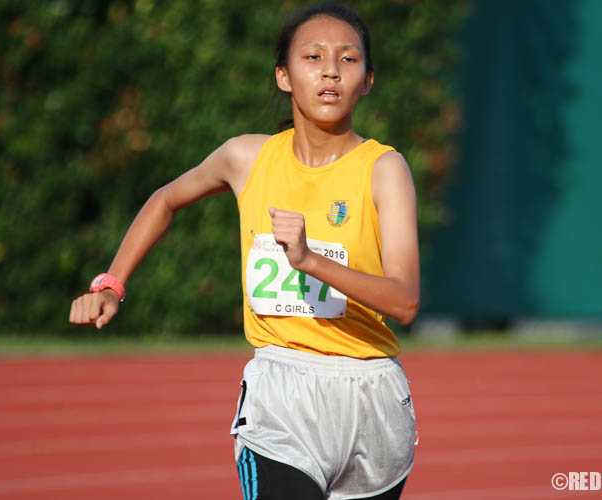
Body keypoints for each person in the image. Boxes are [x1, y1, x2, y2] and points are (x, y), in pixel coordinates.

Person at [69, 4, 419, 499]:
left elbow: (405, 301)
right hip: (283, 398)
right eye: (313, 57)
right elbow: (166, 198)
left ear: (367, 81)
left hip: (373, 402)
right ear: (283, 76)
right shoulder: (246, 157)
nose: (330, 71)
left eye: (348, 59)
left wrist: (310, 261)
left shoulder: (384, 169)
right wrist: (112, 283)